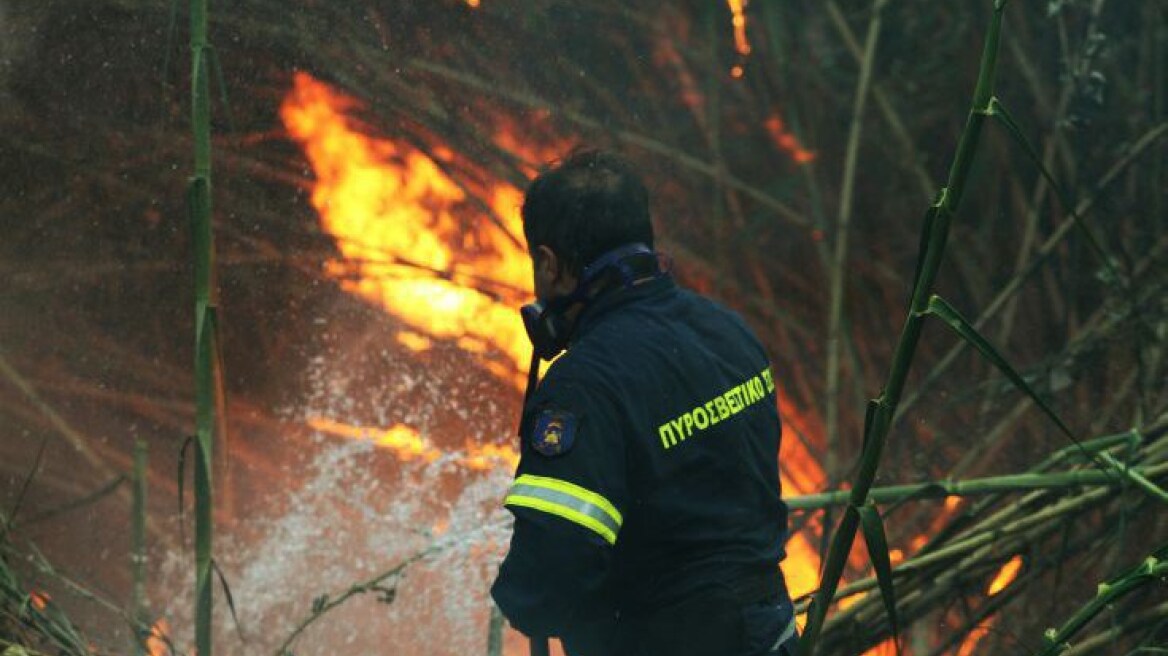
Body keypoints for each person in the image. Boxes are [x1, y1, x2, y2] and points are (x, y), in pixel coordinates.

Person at [491, 149, 798, 656]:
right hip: (770, 633)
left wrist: (520, 597)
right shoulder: (725, 329)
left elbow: (550, 574)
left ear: (548, 264)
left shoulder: (583, 388)